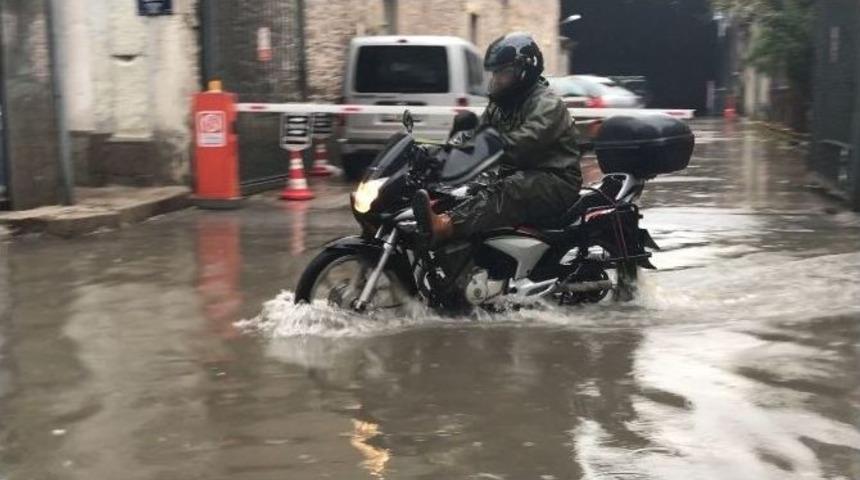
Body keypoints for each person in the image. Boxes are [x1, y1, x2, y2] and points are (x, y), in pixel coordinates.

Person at [413, 32, 582, 246]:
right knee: (462, 190)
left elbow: (524, 142)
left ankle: (445, 225)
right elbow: (475, 135)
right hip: (518, 174)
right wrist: (435, 152)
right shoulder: (501, 104)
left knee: (511, 189)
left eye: (504, 73)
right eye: (495, 73)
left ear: (525, 70)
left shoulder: (547, 104)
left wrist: (481, 151)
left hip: (555, 181)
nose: (497, 79)